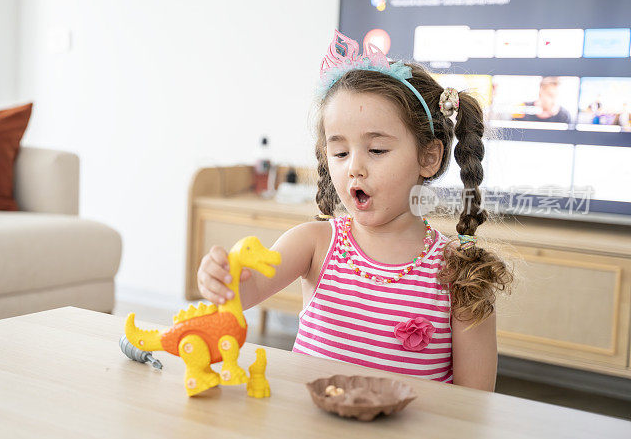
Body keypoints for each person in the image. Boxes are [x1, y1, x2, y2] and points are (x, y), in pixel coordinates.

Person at [197, 30, 513, 391]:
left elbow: (474, 406)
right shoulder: (314, 244)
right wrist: (219, 278)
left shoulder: (458, 270)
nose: (355, 168)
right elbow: (242, 293)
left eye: (376, 150)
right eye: (341, 152)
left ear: (428, 157)